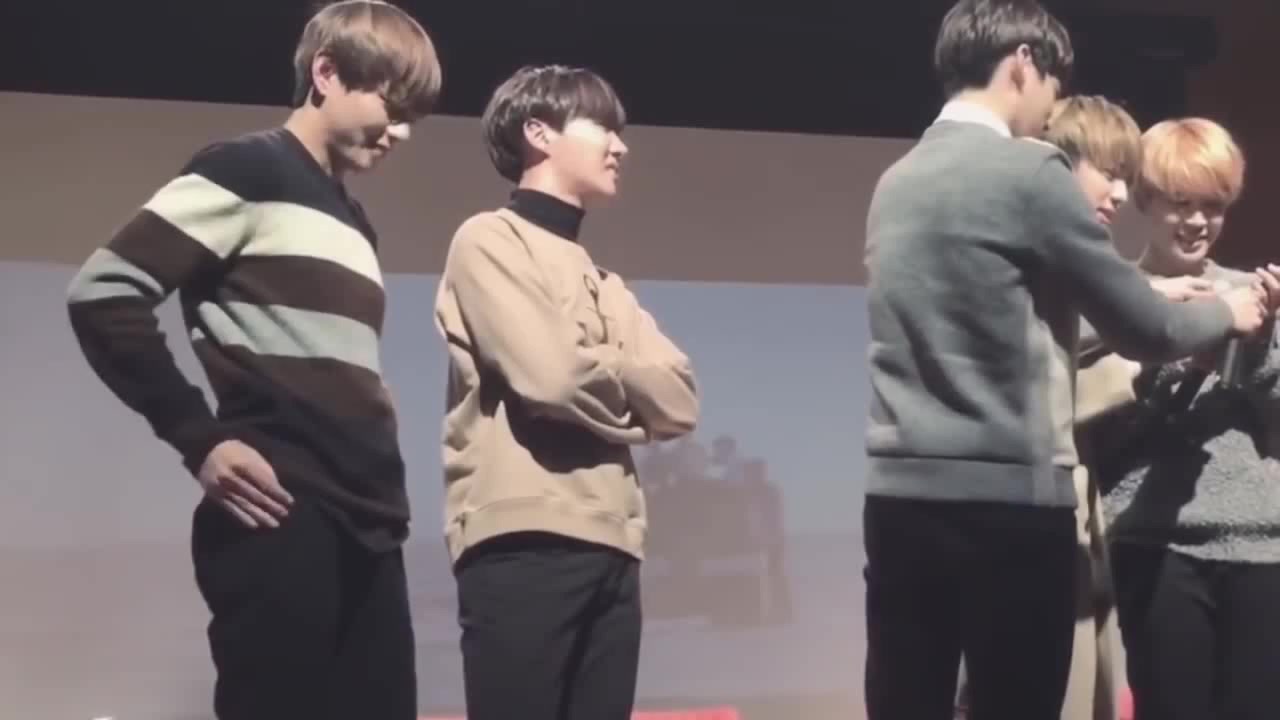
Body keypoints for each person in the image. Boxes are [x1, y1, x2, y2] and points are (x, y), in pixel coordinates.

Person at [861, 1, 1271, 718]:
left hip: (897, 501)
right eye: (1055, 88)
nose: (1052, 111)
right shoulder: (1031, 172)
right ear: (1023, 64)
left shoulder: (896, 180)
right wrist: (1230, 313)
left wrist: (1159, 291)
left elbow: (1001, 307)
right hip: (1010, 504)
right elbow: (1146, 331)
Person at [64, 2, 441, 718]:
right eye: (391, 108)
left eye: (411, 118)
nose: (400, 133)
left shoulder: (354, 222)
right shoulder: (246, 169)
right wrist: (197, 437)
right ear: (326, 73)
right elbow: (104, 292)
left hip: (371, 522)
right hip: (282, 509)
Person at [433, 64, 699, 720]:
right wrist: (627, 385)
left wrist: (592, 367)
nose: (620, 146)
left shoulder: (605, 283)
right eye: (602, 126)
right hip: (521, 540)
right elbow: (550, 379)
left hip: (616, 543)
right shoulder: (488, 239)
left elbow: (681, 401)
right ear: (538, 133)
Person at [953, 94, 1151, 720]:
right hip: (1016, 513)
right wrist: (1131, 368)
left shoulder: (1097, 274)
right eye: (1110, 173)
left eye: (1127, 178)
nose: (1120, 194)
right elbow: (1024, 385)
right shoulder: (1018, 264)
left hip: (1078, 518)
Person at [1086, 117, 1280, 720]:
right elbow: (1103, 439)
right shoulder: (1114, 298)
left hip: (1261, 545)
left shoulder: (1251, 293)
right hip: (1154, 542)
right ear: (1145, 200)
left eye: (1212, 206)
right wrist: (1186, 364)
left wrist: (1258, 345)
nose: (1197, 222)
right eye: (1180, 203)